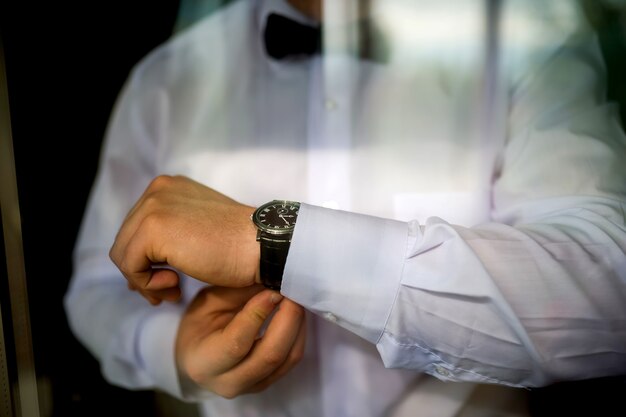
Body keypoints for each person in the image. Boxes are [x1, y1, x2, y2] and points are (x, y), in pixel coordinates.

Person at [64, 0, 626, 416]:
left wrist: (267, 240)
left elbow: (610, 292)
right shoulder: (164, 82)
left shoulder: (530, 35)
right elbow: (95, 290)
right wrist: (170, 350)